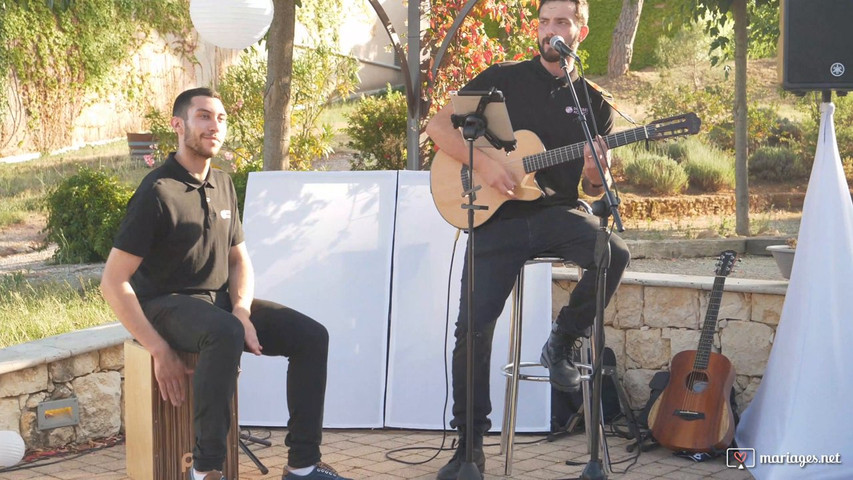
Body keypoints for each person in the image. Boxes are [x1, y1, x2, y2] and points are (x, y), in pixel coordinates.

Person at [101, 87, 352, 480]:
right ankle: (205, 471)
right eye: (203, 116)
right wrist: (158, 348)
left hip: (218, 306)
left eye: (220, 118)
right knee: (224, 331)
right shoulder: (156, 192)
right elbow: (113, 282)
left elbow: (239, 260)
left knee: (311, 336)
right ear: (178, 125)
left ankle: (302, 466)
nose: (214, 126)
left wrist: (242, 310)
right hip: (166, 304)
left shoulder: (223, 183)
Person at [425, 0, 631, 477]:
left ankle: (562, 340)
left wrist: (593, 172)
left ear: (580, 30)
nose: (550, 30)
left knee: (612, 251)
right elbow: (438, 126)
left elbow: (595, 189)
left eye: (561, 22)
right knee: (471, 331)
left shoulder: (594, 104)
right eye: (544, 21)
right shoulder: (504, 79)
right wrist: (487, 164)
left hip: (557, 214)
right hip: (496, 222)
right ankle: (470, 447)